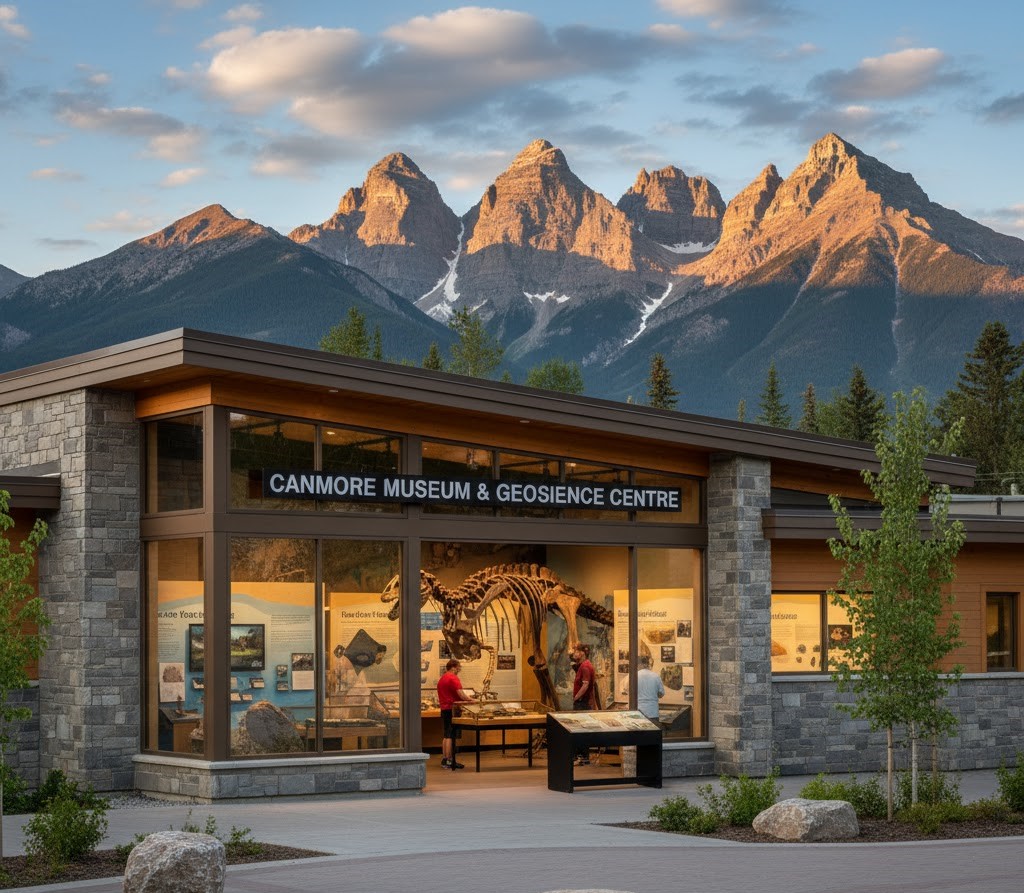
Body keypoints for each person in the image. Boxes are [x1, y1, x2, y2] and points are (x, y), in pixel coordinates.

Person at [437, 658, 475, 770]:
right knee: (450, 735)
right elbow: (461, 694)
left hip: (444, 709)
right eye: (459, 667)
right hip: (451, 709)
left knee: (446, 735)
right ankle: (449, 760)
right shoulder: (453, 678)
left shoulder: (443, 678)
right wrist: (471, 700)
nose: (460, 669)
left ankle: (445, 759)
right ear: (454, 667)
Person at [571, 643, 597, 766]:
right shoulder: (582, 666)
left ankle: (582, 757)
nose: (573, 653)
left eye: (575, 651)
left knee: (580, 730)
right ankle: (583, 757)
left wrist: (577, 697)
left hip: (582, 703)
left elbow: (585, 684)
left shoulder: (585, 667)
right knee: (581, 730)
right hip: (583, 702)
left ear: (581, 653)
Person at [636, 654, 665, 721]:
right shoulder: (656, 676)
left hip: (638, 710)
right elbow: (661, 694)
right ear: (647, 664)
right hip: (652, 711)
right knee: (652, 730)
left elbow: (625, 691)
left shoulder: (633, 676)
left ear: (640, 664)